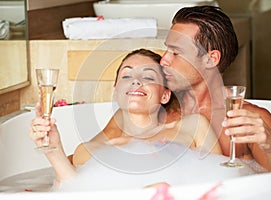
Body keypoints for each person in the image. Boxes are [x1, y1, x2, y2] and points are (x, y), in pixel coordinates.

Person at [90, 6, 271, 172]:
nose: (164, 60)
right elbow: (83, 162)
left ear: (210, 59)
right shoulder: (152, 110)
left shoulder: (248, 120)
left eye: (176, 52)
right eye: (166, 49)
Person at [30, 49, 221, 183]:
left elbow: (224, 181)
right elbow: (75, 191)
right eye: (126, 76)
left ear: (165, 95)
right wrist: (53, 149)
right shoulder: (91, 151)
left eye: (148, 77)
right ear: (116, 91)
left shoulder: (193, 127)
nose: (136, 82)